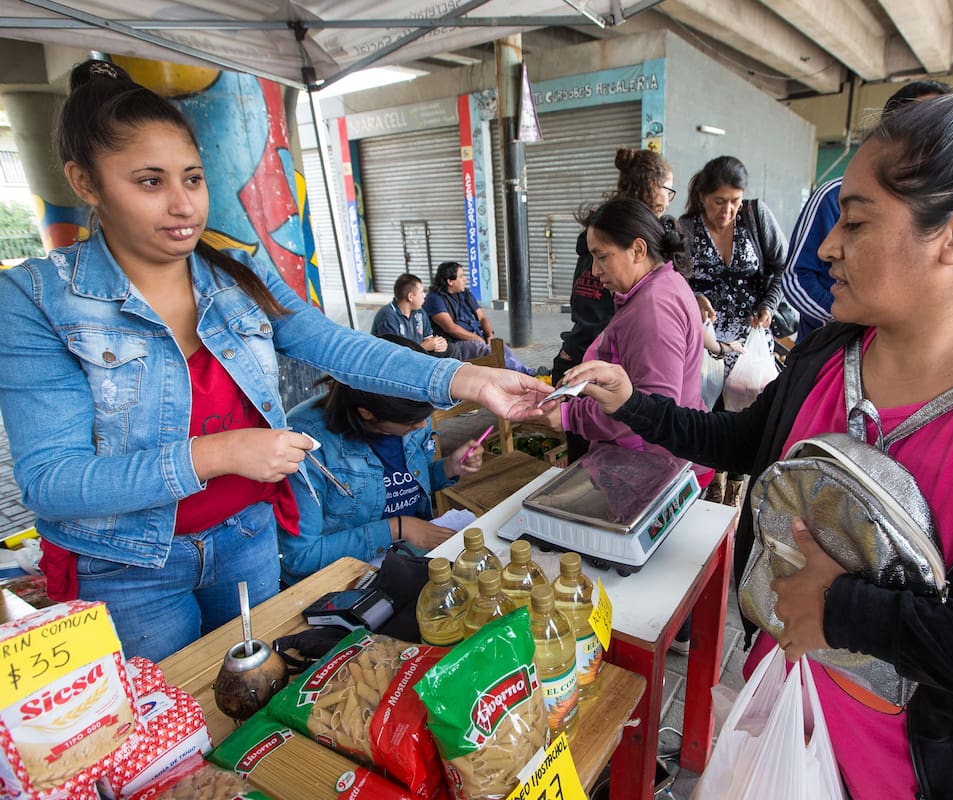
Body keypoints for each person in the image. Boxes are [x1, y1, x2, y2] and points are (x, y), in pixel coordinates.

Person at [564, 22, 953, 800]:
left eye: (855, 222)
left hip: (938, 774)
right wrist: (640, 406)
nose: (825, 247)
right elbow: (743, 441)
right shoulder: (830, 355)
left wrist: (854, 614)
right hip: (786, 731)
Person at [0, 60, 551, 661]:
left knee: (257, 703)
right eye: (149, 182)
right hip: (129, 564)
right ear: (85, 183)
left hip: (247, 537)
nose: (184, 206)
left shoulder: (237, 273)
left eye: (193, 178)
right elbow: (51, 482)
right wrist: (225, 452)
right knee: (176, 730)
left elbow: (336, 345)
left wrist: (469, 378)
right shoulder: (36, 299)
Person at [279, 337, 485, 585]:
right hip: (348, 578)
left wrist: (448, 468)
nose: (422, 425)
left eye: (425, 416)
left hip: (410, 554)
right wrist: (398, 528)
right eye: (411, 422)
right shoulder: (306, 443)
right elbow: (299, 557)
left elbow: (402, 483)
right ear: (366, 413)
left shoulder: (409, 410)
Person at [781, 80, 953, 341]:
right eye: (853, 221)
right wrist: (845, 322)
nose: (829, 249)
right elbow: (796, 276)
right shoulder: (832, 195)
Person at [545, 197, 707, 475]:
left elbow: (649, 410)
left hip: (657, 467)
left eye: (602, 257)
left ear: (637, 250)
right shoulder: (661, 285)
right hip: (662, 459)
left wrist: (569, 416)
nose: (594, 271)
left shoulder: (654, 308)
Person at [680, 155, 787, 505]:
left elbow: (780, 268)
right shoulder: (685, 229)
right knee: (708, 412)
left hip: (751, 337)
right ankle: (711, 482)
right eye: (719, 201)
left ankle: (735, 492)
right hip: (708, 341)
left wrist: (768, 305)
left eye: (735, 201)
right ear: (702, 197)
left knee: (748, 411)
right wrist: (694, 297)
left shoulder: (757, 217)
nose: (728, 210)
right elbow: (673, 280)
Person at [551, 147, 677, 385]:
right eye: (667, 189)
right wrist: (573, 351)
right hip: (594, 363)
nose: (669, 200)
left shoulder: (661, 285)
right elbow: (590, 308)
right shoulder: (608, 241)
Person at [425, 260, 541, 375]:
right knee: (485, 349)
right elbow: (451, 328)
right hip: (456, 343)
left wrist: (489, 335)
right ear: (450, 281)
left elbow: (482, 318)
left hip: (477, 337)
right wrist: (477, 339)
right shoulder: (435, 299)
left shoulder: (465, 294)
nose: (465, 279)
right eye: (461, 276)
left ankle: (527, 371)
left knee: (499, 346)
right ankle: (525, 375)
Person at [370, 273, 448, 355]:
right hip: (399, 361)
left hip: (418, 354)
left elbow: (428, 338)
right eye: (421, 292)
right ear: (410, 297)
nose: (424, 295)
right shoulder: (387, 316)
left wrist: (439, 344)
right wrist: (422, 347)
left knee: (452, 350)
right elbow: (393, 354)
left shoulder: (419, 311)